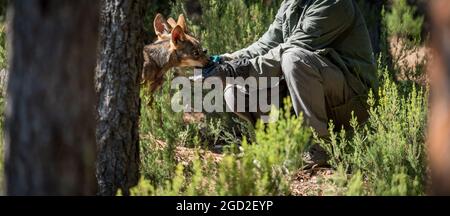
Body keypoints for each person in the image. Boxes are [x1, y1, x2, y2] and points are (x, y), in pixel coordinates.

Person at [201, 0, 378, 167]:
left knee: (293, 58)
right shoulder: (291, 3)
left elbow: (293, 48)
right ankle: (279, 145)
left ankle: (319, 147)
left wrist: (235, 70)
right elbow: (266, 44)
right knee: (235, 89)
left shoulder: (334, 3)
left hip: (353, 100)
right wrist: (227, 60)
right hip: (313, 90)